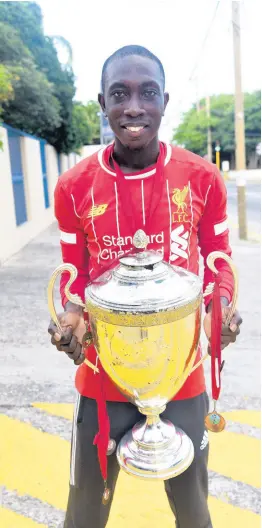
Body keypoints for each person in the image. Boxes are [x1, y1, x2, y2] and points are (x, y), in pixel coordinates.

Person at [48, 45, 242, 528]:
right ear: (102, 102)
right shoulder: (75, 186)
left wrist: (221, 309)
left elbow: (219, 265)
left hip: (181, 373)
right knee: (86, 514)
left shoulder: (202, 179)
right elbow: (74, 275)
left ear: (165, 100)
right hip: (102, 374)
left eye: (147, 93)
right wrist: (70, 319)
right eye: (120, 94)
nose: (134, 107)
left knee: (195, 514)